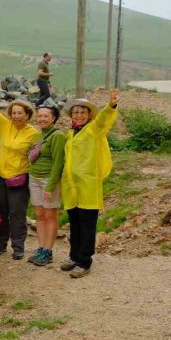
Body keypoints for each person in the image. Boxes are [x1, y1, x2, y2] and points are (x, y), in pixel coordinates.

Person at [60, 92, 120, 278]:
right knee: (75, 223)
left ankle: (84, 261)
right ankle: (74, 256)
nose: (79, 115)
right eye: (76, 112)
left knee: (87, 225)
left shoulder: (94, 129)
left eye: (83, 112)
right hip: (72, 187)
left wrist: (110, 106)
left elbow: (103, 120)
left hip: (88, 185)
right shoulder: (70, 133)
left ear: (89, 115)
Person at [0, 81, 39, 259]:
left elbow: (38, 155)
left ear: (27, 114)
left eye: (20, 113)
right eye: (13, 113)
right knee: (1, 210)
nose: (16, 116)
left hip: (19, 179)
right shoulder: (4, 125)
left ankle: (18, 247)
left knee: (17, 212)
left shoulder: (33, 133)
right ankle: (0, 244)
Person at [27, 102, 67, 266]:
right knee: (40, 215)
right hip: (34, 178)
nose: (42, 119)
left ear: (54, 119)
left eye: (46, 116)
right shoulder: (40, 134)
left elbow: (58, 163)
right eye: (40, 115)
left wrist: (50, 186)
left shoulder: (57, 136)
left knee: (50, 216)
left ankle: (48, 251)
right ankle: (41, 248)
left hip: (48, 180)